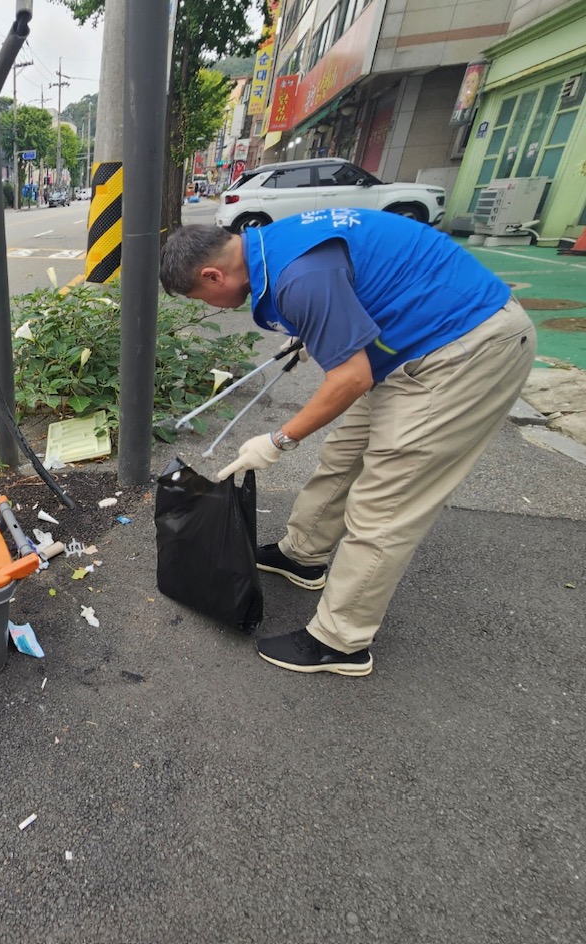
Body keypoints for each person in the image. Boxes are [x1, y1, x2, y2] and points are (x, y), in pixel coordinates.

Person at [159, 208, 535, 677]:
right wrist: (311, 334)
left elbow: (351, 378)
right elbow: (349, 291)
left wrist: (278, 440)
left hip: (461, 350)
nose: (210, 306)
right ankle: (304, 555)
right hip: (405, 348)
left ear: (213, 274)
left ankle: (341, 641)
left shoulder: (298, 278)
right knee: (342, 456)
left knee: (386, 504)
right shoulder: (267, 244)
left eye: (203, 296)